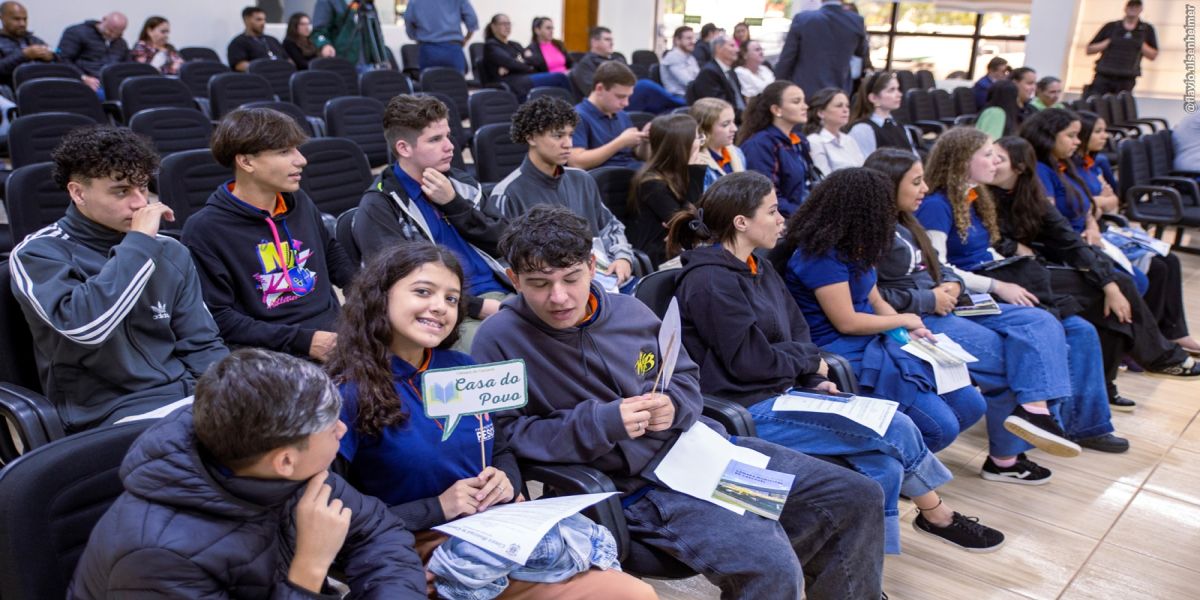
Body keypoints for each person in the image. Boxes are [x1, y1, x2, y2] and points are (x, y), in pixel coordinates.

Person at [472, 203, 886, 599]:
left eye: (571, 278)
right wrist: (602, 422)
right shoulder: (499, 340)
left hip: (699, 454)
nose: (559, 297)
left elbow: (684, 375)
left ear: (592, 267)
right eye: (539, 285)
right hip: (635, 487)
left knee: (856, 495)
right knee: (772, 565)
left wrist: (674, 405)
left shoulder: (630, 312)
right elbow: (502, 436)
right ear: (514, 279)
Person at [668, 170, 1004, 553]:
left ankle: (858, 571)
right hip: (746, 407)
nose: (783, 220)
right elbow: (750, 362)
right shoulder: (711, 281)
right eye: (773, 211)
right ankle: (936, 514)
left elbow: (796, 334)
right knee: (895, 426)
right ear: (741, 222)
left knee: (885, 467)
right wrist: (809, 363)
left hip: (782, 390)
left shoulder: (758, 268)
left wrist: (811, 378)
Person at [327, 243, 657, 600]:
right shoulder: (344, 394)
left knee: (631, 593)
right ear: (380, 296)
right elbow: (331, 517)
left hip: (499, 530)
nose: (440, 307)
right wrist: (439, 507)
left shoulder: (463, 369)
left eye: (452, 299)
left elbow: (497, 445)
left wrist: (505, 478)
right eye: (423, 292)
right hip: (413, 546)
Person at [69, 349, 427, 598]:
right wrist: (309, 570)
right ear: (284, 461)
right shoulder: (156, 558)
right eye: (331, 427)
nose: (342, 431)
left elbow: (379, 533)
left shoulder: (278, 458)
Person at [867, 147, 1128, 464]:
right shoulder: (881, 230)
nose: (924, 188)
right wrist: (932, 297)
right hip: (919, 317)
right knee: (1012, 357)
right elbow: (873, 294)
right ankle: (1007, 459)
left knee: (1041, 320)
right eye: (916, 182)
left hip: (951, 300)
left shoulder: (910, 220)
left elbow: (940, 265)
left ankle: (1036, 411)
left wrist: (953, 284)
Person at [918, 129, 1199, 419]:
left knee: (1102, 309)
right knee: (1107, 298)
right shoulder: (939, 205)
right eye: (988, 155)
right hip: (987, 284)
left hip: (1004, 273)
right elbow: (940, 268)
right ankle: (1157, 358)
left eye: (997, 156)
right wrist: (1000, 283)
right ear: (963, 160)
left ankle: (1091, 415)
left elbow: (996, 249)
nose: (994, 163)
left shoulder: (976, 197)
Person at [9, 126, 227, 433]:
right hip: (103, 413)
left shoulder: (169, 251)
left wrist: (227, 393)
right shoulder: (38, 254)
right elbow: (88, 327)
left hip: (184, 397)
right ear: (78, 192)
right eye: (122, 191)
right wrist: (138, 243)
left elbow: (202, 342)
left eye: (143, 187)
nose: (140, 203)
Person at [774, 169, 988, 454]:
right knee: (941, 427)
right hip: (842, 346)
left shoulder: (857, 244)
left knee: (972, 405)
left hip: (876, 336)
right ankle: (896, 467)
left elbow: (876, 300)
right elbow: (846, 322)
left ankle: (910, 463)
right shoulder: (819, 255)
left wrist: (905, 331)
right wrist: (903, 319)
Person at [182, 108, 358, 361]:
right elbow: (221, 317)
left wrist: (365, 296)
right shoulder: (204, 229)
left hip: (333, 333)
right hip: (270, 353)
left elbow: (330, 252)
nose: (301, 160)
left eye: (296, 149)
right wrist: (305, 341)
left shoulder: (299, 201)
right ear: (246, 162)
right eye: (284, 152)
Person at [1022, 109, 1200, 355]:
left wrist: (1092, 219)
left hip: (1090, 232)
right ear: (1050, 136)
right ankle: (1145, 347)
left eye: (1078, 135)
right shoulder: (1044, 170)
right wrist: (1095, 208)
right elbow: (1058, 221)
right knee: (1136, 279)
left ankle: (1164, 337)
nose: (1077, 141)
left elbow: (1105, 201)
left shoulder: (1070, 165)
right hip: (1070, 244)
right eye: (1072, 135)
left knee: (1165, 262)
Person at [353, 94, 512, 351]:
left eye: (448, 135)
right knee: (506, 354)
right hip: (449, 311)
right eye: (436, 139)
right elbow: (399, 285)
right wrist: (477, 306)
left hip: (506, 289)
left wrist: (453, 203)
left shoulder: (461, 184)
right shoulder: (380, 205)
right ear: (404, 148)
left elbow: (504, 242)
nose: (451, 146)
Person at [489, 97, 635, 293]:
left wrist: (623, 257)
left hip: (604, 281)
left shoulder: (583, 180)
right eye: (558, 136)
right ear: (531, 137)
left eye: (570, 135)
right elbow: (502, 261)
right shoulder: (507, 194)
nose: (568, 144)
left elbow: (611, 227)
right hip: (552, 293)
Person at [627, 113, 708, 268]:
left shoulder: (677, 175)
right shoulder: (651, 184)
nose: (701, 143)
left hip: (682, 250)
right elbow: (691, 226)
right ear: (682, 146)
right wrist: (694, 171)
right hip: (661, 257)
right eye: (698, 138)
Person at [739, 80, 816, 216]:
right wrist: (804, 216)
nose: (805, 106)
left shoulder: (799, 140)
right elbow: (765, 195)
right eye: (796, 102)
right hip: (783, 220)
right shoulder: (760, 144)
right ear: (776, 110)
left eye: (804, 101)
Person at [570, 26, 684, 115]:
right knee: (645, 85)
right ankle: (685, 104)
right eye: (607, 39)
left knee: (659, 107)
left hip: (627, 94)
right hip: (612, 100)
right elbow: (592, 91)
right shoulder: (585, 64)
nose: (612, 43)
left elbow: (630, 78)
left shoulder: (617, 58)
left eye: (612, 39)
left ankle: (679, 110)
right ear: (594, 42)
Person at [567, 61, 650, 170]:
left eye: (628, 97)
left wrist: (644, 141)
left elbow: (638, 156)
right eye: (620, 97)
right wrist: (621, 142)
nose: (626, 103)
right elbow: (576, 162)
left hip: (632, 171)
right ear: (600, 89)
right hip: (608, 180)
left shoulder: (621, 114)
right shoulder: (578, 116)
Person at [774, 0, 868, 96]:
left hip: (804, 92)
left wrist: (777, 88)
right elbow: (860, 55)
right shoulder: (856, 21)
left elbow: (787, 59)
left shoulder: (803, 19)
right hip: (839, 93)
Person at [480, 13, 569, 101]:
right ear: (493, 27)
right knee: (560, 77)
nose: (507, 27)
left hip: (526, 78)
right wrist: (523, 62)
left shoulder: (515, 44)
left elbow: (536, 61)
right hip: (513, 82)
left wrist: (515, 65)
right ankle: (574, 110)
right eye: (503, 24)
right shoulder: (491, 45)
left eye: (509, 23)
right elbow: (511, 63)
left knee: (561, 80)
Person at [1085, 0, 1157, 95]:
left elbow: (1153, 55)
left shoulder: (1146, 29)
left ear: (1141, 9)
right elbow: (1089, 49)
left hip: (1126, 78)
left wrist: (1139, 43)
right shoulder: (1111, 26)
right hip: (1104, 75)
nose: (1133, 9)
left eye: (1136, 7)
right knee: (1097, 103)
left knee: (1119, 107)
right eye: (1131, 6)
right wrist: (1110, 41)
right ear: (1125, 8)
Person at [848, 71, 918, 157]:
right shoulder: (862, 130)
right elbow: (864, 166)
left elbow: (915, 159)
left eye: (898, 89)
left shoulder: (901, 127)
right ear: (873, 98)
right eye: (891, 90)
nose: (899, 94)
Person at [57, 11, 129, 91]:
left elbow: (126, 65)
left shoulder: (120, 43)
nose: (112, 35)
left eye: (118, 34)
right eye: (110, 31)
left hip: (114, 84)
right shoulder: (77, 32)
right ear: (103, 20)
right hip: (86, 82)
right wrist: (83, 77)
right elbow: (62, 59)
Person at [312, 0, 390, 72]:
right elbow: (318, 31)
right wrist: (325, 45)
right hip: (343, 63)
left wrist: (384, 58)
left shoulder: (367, 3)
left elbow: (377, 33)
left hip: (369, 64)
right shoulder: (328, 2)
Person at [405, 0, 478, 72]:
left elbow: (408, 21)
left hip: (428, 50)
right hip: (453, 49)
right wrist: (466, 39)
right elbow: (472, 20)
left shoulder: (414, 1)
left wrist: (415, 37)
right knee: (456, 82)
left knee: (430, 81)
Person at [806, 87, 865, 173]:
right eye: (839, 106)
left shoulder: (849, 139)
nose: (846, 110)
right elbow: (823, 179)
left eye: (847, 106)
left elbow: (863, 169)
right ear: (821, 113)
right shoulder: (815, 141)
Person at [690, 97, 745, 189]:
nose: (734, 129)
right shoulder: (697, 164)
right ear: (703, 129)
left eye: (733, 122)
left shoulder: (737, 152)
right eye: (725, 124)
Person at [0, 1, 55, 90]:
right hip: (12, 91)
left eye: (25, 19)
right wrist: (24, 55)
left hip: (43, 86)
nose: (22, 24)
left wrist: (52, 57)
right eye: (16, 19)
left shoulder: (33, 39)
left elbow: (60, 57)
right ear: (2, 18)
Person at [690, 34, 744, 115]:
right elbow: (720, 108)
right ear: (718, 48)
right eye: (732, 46)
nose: (737, 50)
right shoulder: (708, 73)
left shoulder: (730, 72)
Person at [227, 6, 287, 72]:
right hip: (258, 78)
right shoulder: (238, 43)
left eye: (264, 19)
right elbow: (240, 65)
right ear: (247, 20)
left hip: (282, 75)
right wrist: (266, 68)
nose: (263, 23)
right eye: (259, 19)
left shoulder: (272, 40)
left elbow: (287, 59)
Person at [660, 25, 699, 99]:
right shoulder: (673, 57)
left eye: (693, 38)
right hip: (678, 97)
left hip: (690, 95)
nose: (693, 42)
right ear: (677, 40)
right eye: (688, 38)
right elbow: (688, 82)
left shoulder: (690, 57)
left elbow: (699, 78)